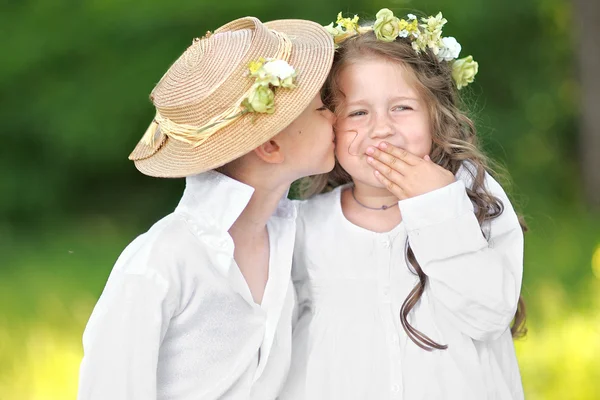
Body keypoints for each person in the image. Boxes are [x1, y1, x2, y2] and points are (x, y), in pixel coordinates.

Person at [77, 16, 336, 400]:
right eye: (320, 109)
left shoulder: (293, 237)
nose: (335, 115)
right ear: (270, 146)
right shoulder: (161, 263)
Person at [281, 9, 526, 400]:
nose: (382, 128)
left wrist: (438, 205)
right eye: (358, 112)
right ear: (329, 125)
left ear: (435, 115)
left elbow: (488, 315)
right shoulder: (304, 226)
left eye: (402, 107)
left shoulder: (472, 197)